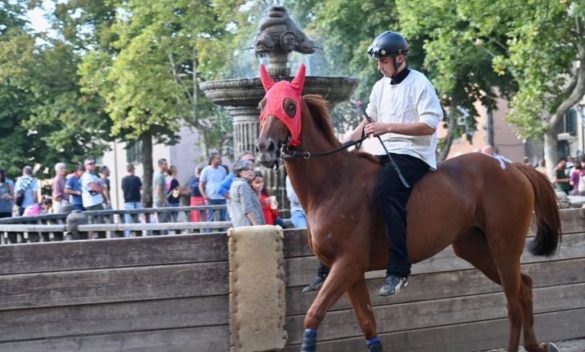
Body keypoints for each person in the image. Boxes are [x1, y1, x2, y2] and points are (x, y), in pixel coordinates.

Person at [345, 31, 442, 297]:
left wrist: (388, 127)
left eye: (383, 61)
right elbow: (368, 124)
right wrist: (343, 143)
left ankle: (399, 271)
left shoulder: (420, 82)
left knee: (387, 192)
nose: (379, 66)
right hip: (383, 153)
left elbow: (429, 125)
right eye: (378, 62)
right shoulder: (379, 87)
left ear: (400, 58)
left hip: (414, 154)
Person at [227, 160, 264, 227]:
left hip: (240, 224)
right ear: (239, 172)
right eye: (246, 169)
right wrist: (256, 226)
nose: (250, 172)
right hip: (248, 226)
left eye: (252, 169)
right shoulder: (243, 185)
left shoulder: (235, 183)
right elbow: (247, 208)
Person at [199, 153, 228, 221]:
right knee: (210, 218)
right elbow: (201, 184)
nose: (220, 160)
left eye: (220, 158)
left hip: (222, 197)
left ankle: (223, 231)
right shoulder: (206, 170)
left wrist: (226, 193)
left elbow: (225, 183)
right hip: (210, 197)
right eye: (218, 158)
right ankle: (209, 231)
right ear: (212, 159)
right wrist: (204, 195)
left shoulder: (222, 169)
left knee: (223, 218)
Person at [121, 163, 142, 237]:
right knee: (137, 221)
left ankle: (127, 237)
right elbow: (140, 188)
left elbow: (123, 189)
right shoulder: (136, 178)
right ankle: (138, 236)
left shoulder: (123, 179)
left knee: (128, 222)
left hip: (127, 202)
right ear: (133, 169)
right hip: (136, 201)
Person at [152, 158, 169, 224]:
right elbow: (158, 191)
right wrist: (164, 201)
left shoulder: (160, 175)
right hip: (161, 202)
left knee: (163, 221)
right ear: (161, 165)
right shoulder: (159, 176)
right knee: (162, 222)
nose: (167, 166)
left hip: (162, 200)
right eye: (165, 164)